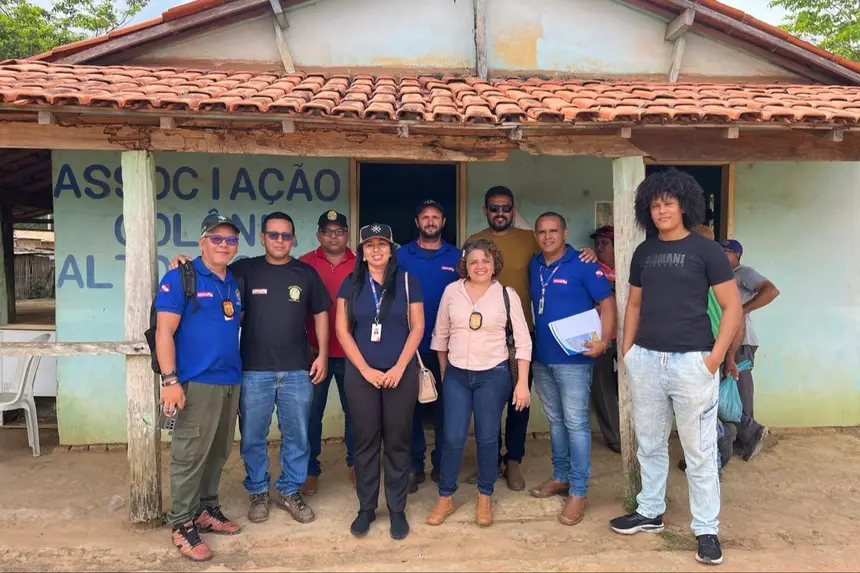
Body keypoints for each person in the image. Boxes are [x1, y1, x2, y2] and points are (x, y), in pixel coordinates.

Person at [609, 170, 743, 567]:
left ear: (684, 205)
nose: (662, 209)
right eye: (655, 204)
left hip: (692, 362)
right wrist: (627, 350)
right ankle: (650, 511)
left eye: (668, 202)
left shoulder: (707, 251)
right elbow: (633, 304)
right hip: (646, 360)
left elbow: (732, 307)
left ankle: (706, 529)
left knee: (699, 451)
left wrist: (714, 359)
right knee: (649, 442)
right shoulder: (644, 253)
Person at [169, 212, 331, 526]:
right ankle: (258, 491)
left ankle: (289, 490)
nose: (280, 241)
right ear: (263, 238)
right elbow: (211, 268)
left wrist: (322, 354)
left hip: (297, 370)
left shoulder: (306, 273)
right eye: (274, 235)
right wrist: (183, 262)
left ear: (294, 239)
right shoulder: (244, 269)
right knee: (253, 437)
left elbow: (322, 312)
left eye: (286, 235)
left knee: (297, 435)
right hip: (253, 370)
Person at [465, 185, 596, 490]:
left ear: (513, 209)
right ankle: (491, 462)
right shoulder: (474, 242)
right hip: (484, 337)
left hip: (521, 337)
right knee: (488, 403)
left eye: (506, 207)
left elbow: (560, 254)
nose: (501, 213)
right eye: (494, 208)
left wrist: (586, 252)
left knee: (518, 402)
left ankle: (513, 462)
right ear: (486, 211)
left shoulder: (530, 241)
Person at [425, 238, 532, 528]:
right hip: (458, 374)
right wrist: (446, 374)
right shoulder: (452, 292)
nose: (480, 266)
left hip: (493, 375)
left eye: (485, 260)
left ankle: (485, 496)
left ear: (495, 262)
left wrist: (522, 383)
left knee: (487, 437)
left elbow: (523, 342)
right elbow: (440, 336)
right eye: (473, 261)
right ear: (465, 265)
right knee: (452, 437)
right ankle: (445, 496)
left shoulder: (506, 295)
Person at [156, 213, 244, 562]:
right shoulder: (180, 277)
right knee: (189, 454)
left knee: (218, 451)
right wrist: (170, 380)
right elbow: (164, 332)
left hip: (229, 380)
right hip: (194, 382)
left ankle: (206, 509)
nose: (224, 245)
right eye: (217, 238)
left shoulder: (233, 280)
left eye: (231, 240)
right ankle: (181, 523)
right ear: (202, 242)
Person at [335, 223, 424, 540]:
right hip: (362, 377)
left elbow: (417, 327)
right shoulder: (351, 283)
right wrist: (365, 370)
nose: (376, 250)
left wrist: (401, 367)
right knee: (366, 442)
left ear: (391, 249)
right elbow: (342, 331)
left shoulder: (408, 282)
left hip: (400, 373)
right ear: (361, 250)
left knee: (398, 442)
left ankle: (397, 509)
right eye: (369, 244)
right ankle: (367, 508)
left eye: (382, 244)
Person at [527, 213, 616, 527]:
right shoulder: (535, 264)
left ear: (564, 232)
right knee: (556, 422)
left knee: (576, 424)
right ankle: (560, 477)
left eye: (554, 231)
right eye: (542, 232)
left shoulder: (583, 263)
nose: (548, 236)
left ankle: (578, 491)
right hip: (542, 358)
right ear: (536, 235)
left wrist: (604, 341)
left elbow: (607, 303)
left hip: (575, 360)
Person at [396, 199, 460, 492]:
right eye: (425, 217)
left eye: (436, 217)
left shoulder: (458, 257)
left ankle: (443, 463)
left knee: (446, 407)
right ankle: (414, 465)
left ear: (444, 222)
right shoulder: (401, 256)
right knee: (411, 408)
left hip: (449, 346)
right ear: (417, 221)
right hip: (411, 343)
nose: (431, 221)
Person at [299, 210, 357, 495]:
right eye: (328, 231)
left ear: (347, 234)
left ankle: (356, 464)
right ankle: (310, 470)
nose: (334, 236)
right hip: (313, 354)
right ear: (319, 234)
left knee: (356, 413)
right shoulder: (304, 264)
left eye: (339, 231)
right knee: (311, 414)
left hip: (352, 354)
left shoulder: (362, 264)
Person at [719, 238, 778, 461]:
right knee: (730, 387)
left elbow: (771, 291)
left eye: (727, 251)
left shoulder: (743, 273)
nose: (723, 255)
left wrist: (740, 310)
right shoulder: (721, 276)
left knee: (740, 387)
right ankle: (740, 437)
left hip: (742, 341)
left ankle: (751, 433)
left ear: (737, 256)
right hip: (729, 338)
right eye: (720, 250)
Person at [588, 224, 621, 453]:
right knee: (602, 387)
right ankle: (615, 438)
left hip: (627, 337)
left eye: (605, 243)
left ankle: (634, 432)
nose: (599, 248)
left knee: (632, 388)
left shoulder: (628, 267)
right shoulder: (591, 267)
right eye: (597, 243)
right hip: (599, 337)